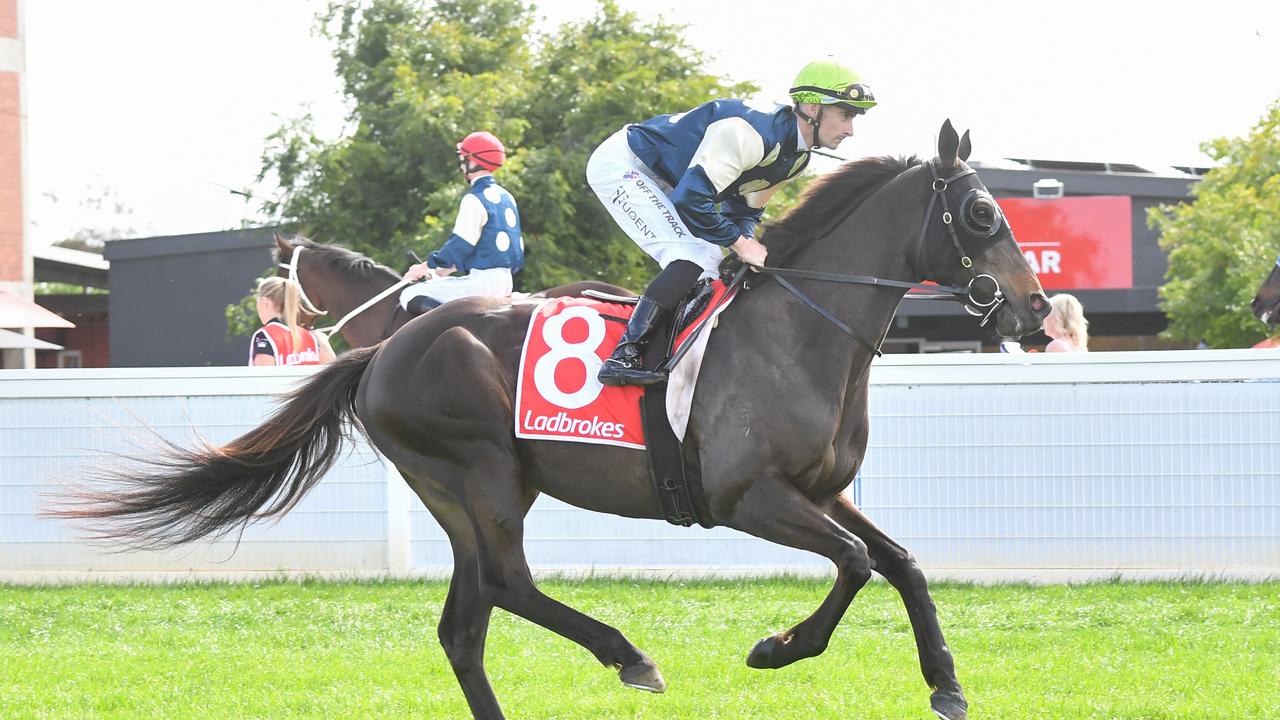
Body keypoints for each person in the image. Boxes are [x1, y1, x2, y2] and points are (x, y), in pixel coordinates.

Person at [586, 58, 877, 385]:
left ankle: (676, 354)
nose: (851, 130)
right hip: (626, 165)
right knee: (691, 258)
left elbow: (744, 212)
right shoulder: (750, 134)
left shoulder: (797, 157)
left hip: (674, 179)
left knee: (713, 265)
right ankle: (623, 357)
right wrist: (740, 244)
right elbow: (691, 201)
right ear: (812, 107)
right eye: (846, 115)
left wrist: (744, 243)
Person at [400, 131, 524, 316]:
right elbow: (483, 249)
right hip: (506, 281)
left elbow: (461, 245)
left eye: (464, 158)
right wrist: (442, 272)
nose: (461, 165)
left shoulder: (474, 199)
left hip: (481, 285)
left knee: (409, 294)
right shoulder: (508, 197)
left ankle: (452, 334)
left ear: (473, 161)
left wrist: (425, 267)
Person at [249, 277, 336, 366]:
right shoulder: (311, 337)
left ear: (264, 302)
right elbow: (330, 370)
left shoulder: (264, 335)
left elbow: (262, 377)